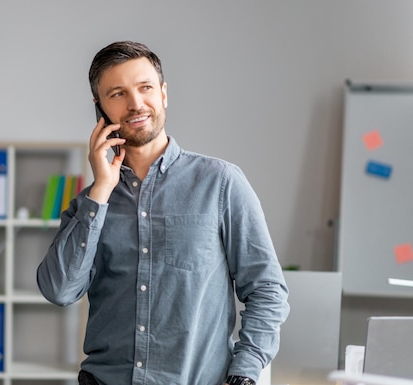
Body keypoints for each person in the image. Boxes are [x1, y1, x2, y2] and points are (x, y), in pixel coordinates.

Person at [36, 41, 290, 385]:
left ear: (163, 93)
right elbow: (59, 290)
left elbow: (267, 290)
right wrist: (100, 191)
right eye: (118, 94)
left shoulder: (221, 183)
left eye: (145, 88)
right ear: (100, 110)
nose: (136, 103)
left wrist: (244, 372)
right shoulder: (90, 204)